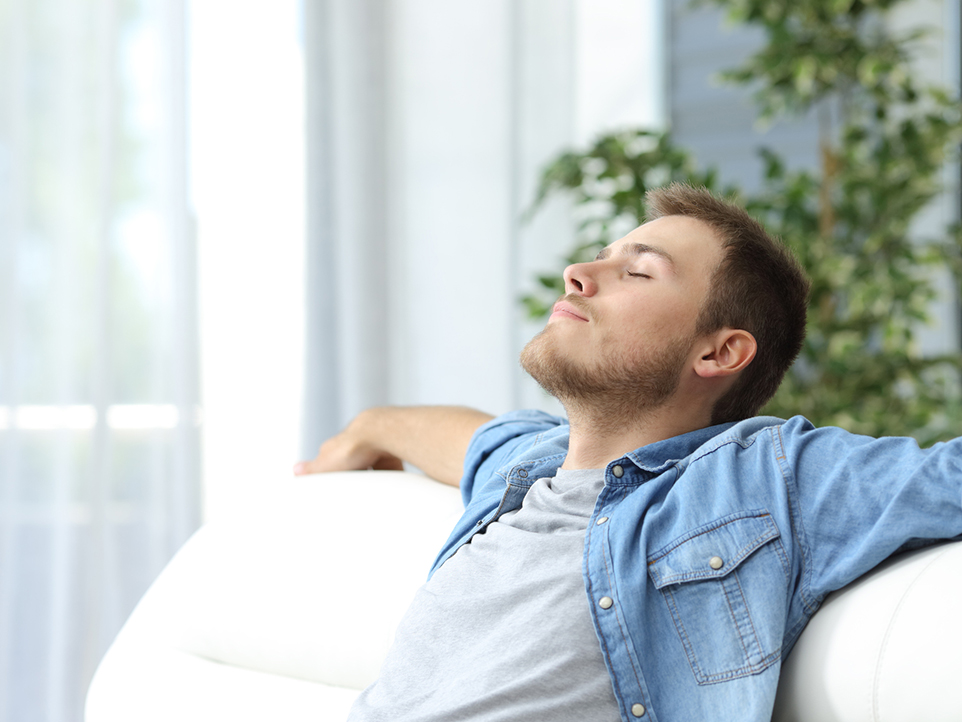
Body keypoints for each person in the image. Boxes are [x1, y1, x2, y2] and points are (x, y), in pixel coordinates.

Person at [293, 183, 962, 722]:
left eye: (637, 272)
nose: (579, 274)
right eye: (601, 257)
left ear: (720, 352)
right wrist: (367, 429)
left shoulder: (766, 475)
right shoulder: (528, 468)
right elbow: (460, 436)